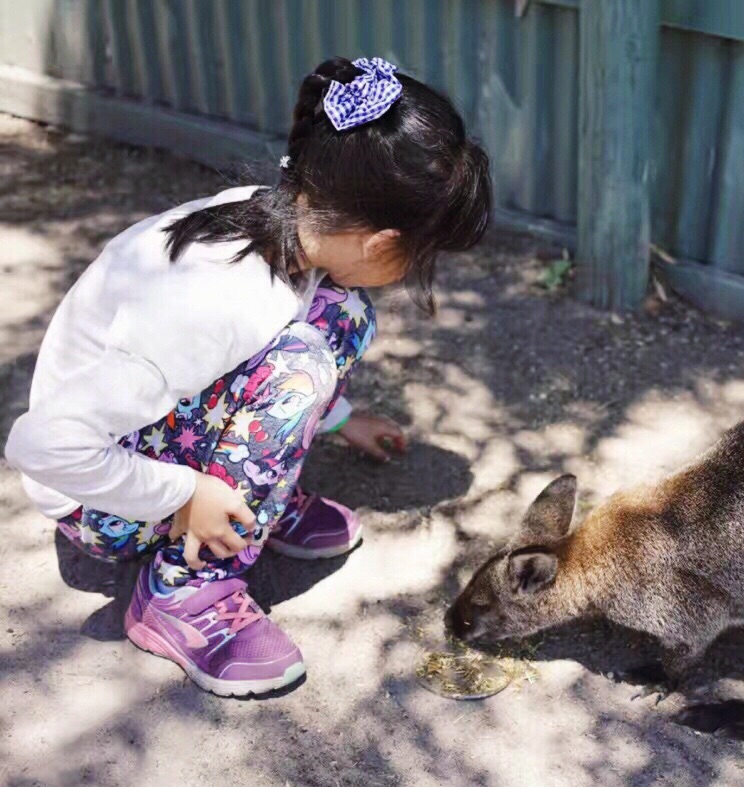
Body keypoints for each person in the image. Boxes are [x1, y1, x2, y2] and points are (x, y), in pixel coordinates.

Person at [5, 56, 492, 696]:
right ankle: (183, 589)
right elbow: (42, 447)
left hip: (143, 441)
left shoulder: (282, 217)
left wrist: (340, 419)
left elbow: (259, 347)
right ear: (381, 245)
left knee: (339, 314)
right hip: (98, 502)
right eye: (420, 258)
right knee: (306, 361)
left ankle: (257, 497)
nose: (412, 273)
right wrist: (185, 496)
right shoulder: (214, 298)